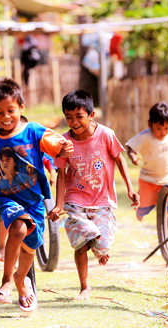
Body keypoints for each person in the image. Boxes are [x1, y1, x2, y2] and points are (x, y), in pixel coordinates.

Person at [0, 78, 73, 312]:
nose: (5, 116)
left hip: (34, 199)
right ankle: (6, 281)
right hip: (6, 196)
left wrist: (63, 148)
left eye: (10, 110)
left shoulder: (33, 131)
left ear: (21, 107)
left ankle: (20, 279)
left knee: (30, 248)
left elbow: (56, 144)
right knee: (18, 228)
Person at [49, 89, 140, 300]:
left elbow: (120, 160)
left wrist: (130, 188)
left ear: (91, 115)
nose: (74, 122)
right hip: (75, 198)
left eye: (78, 116)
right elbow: (61, 174)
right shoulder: (63, 143)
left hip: (103, 199)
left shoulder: (106, 135)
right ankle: (85, 287)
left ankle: (101, 248)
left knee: (102, 244)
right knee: (83, 241)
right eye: (68, 117)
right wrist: (59, 204)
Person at [126, 101, 168, 227]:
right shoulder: (145, 136)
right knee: (142, 209)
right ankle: (138, 220)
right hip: (148, 180)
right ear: (150, 125)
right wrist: (133, 157)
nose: (163, 132)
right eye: (159, 129)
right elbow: (131, 148)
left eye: (166, 128)